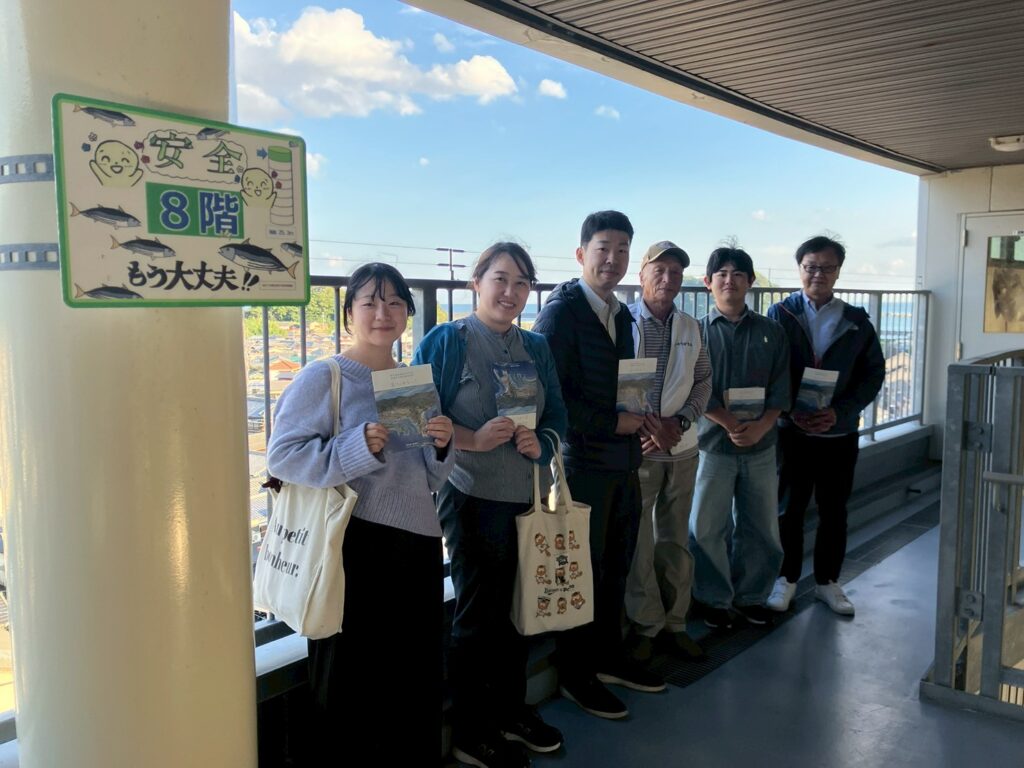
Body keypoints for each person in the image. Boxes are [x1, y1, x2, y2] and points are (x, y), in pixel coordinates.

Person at [266, 263, 454, 766]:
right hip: (351, 544)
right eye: (369, 302)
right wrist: (355, 447)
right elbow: (281, 457)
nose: (382, 313)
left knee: (414, 677)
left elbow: (429, 478)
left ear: (407, 313)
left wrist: (443, 447)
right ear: (348, 313)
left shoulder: (413, 382)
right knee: (349, 681)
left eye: (394, 303)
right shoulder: (323, 377)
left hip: (417, 540)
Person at [413, 243, 568, 768]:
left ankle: (511, 710)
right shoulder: (446, 341)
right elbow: (415, 418)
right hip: (470, 496)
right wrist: (473, 440)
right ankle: (470, 729)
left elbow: (557, 417)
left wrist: (541, 443)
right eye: (500, 278)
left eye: (522, 282)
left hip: (528, 498)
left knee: (522, 609)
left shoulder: (535, 346)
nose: (511, 291)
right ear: (476, 282)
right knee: (478, 616)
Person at [533, 211, 666, 723]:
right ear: (580, 254)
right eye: (603, 248)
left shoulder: (621, 314)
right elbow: (553, 400)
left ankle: (609, 657)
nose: (613, 259)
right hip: (581, 466)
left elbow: (623, 387)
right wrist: (614, 423)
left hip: (623, 461)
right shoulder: (561, 315)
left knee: (615, 565)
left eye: (622, 250)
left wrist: (638, 419)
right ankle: (576, 673)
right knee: (581, 573)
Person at [766, 236, 885, 616]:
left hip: (839, 432)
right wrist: (787, 411)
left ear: (838, 272)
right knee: (788, 508)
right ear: (799, 268)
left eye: (827, 267)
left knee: (834, 509)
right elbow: (768, 368)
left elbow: (873, 374)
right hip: (792, 431)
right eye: (811, 267)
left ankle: (827, 582)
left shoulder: (856, 321)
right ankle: (785, 579)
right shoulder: (780, 314)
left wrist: (840, 412)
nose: (818, 274)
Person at [690, 246, 789, 630]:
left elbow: (781, 385)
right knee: (706, 528)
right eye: (721, 274)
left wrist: (762, 426)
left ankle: (751, 596)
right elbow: (692, 386)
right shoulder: (695, 332)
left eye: (738, 274)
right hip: (712, 445)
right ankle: (713, 598)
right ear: (708, 282)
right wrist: (729, 422)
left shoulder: (771, 331)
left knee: (761, 527)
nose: (729, 280)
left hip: (761, 445)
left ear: (750, 281)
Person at [623, 241, 712, 663]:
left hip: (682, 448)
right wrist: (646, 426)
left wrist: (681, 422)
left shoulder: (692, 327)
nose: (668, 278)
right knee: (639, 542)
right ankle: (646, 625)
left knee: (676, 540)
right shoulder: (622, 323)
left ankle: (675, 623)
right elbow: (615, 384)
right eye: (659, 270)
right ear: (641, 275)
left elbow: (704, 381)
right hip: (638, 449)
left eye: (675, 272)